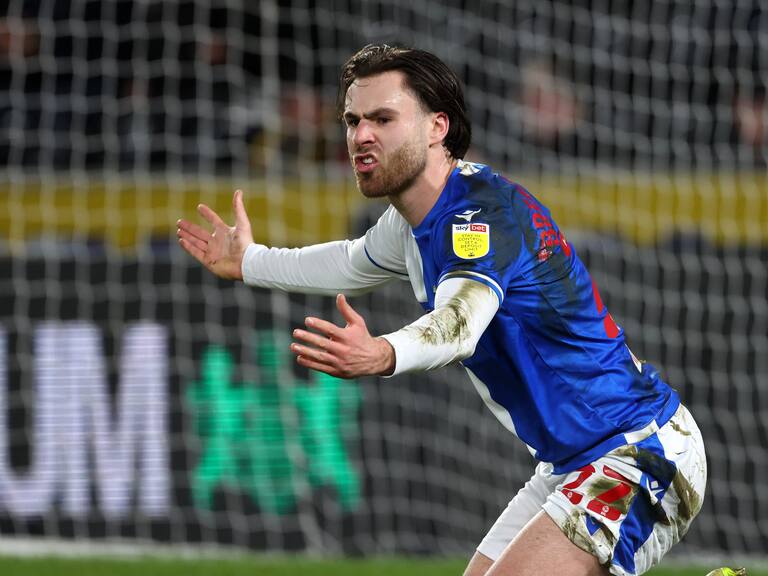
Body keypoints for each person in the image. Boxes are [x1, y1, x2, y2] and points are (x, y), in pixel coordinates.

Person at [177, 44, 722, 576]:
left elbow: (459, 325)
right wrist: (249, 261)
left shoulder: (479, 217)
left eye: (383, 119)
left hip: (638, 451)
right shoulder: (410, 223)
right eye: (352, 120)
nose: (361, 136)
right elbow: (349, 261)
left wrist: (384, 353)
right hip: (573, 463)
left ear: (437, 127)